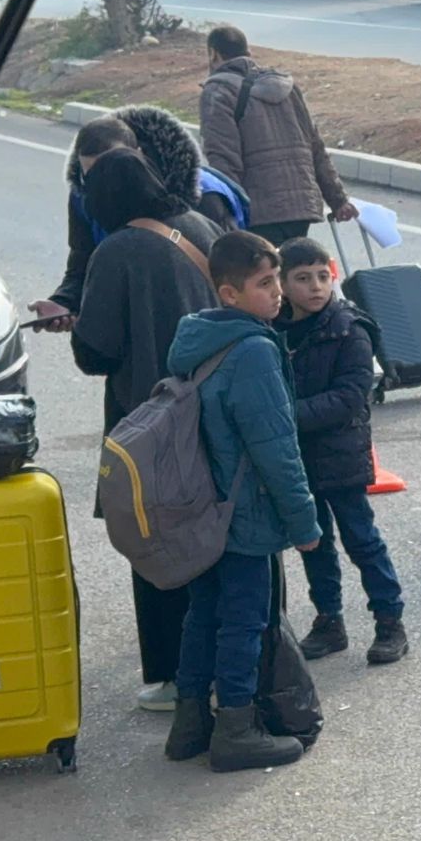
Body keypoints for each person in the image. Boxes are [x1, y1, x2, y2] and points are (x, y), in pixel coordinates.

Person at [161, 232, 322, 773]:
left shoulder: (197, 340)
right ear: (229, 294)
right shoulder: (253, 351)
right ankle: (237, 727)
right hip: (245, 513)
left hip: (204, 509)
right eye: (263, 284)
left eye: (276, 280)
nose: (277, 293)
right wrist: (304, 523)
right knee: (245, 620)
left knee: (203, 613)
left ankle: (189, 724)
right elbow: (276, 449)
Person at [68, 150, 224, 711]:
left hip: (150, 422)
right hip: (216, 406)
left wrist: (74, 325)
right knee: (216, 534)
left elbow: (97, 351)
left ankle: (173, 676)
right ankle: (229, 660)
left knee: (153, 541)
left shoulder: (116, 251)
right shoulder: (199, 227)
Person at [275, 237, 409, 666]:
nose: (316, 287)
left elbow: (351, 396)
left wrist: (283, 416)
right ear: (281, 283)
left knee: (362, 540)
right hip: (297, 460)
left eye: (322, 276)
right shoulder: (274, 328)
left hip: (341, 457)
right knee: (313, 543)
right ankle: (329, 620)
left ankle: (390, 621)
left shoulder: (349, 328)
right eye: (302, 278)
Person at [28, 110, 249, 334]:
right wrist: (64, 302)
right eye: (91, 174)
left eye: (112, 165)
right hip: (131, 336)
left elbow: (238, 280)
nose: (103, 182)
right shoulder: (85, 196)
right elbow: (81, 263)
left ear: (138, 154)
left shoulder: (207, 196)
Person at [199, 25, 356, 245]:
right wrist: (338, 200)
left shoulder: (218, 92)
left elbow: (223, 159)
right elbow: (315, 147)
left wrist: (227, 215)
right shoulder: (287, 87)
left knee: (265, 276)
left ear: (213, 53)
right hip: (301, 208)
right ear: (248, 53)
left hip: (258, 212)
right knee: (293, 273)